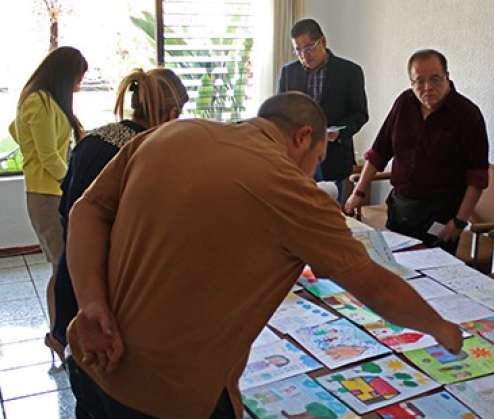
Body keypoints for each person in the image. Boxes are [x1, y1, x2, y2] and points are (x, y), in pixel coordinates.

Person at [64, 92, 463, 418]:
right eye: (318, 161)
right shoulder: (289, 186)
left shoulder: (168, 135)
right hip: (166, 398)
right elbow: (375, 285)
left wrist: (93, 303)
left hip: (91, 357)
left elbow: (87, 210)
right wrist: (441, 328)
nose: (312, 174)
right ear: (302, 137)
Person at [44, 68, 188, 362]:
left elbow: (66, 209)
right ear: (173, 112)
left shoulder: (92, 139)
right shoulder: (150, 152)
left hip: (75, 274)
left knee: (83, 366)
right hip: (115, 288)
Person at [344, 49, 489, 254]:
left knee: (433, 279)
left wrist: (459, 222)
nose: (427, 88)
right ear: (411, 82)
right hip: (401, 211)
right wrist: (358, 192)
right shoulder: (404, 103)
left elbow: (478, 177)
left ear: (447, 76)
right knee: (396, 270)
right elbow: (379, 151)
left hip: (441, 215)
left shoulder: (467, 115)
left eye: (435, 79)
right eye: (419, 81)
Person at [8, 46, 88, 354]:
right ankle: (58, 334)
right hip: (46, 195)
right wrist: (73, 182)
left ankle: (61, 332)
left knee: (63, 265)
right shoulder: (38, 101)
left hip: (50, 191)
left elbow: (15, 129)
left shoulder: (43, 99)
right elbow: (48, 156)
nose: (79, 86)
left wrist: (29, 145)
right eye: (78, 79)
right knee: (62, 266)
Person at [278, 18, 369, 202]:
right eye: (298, 50)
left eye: (309, 47)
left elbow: (360, 114)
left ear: (323, 42)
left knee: (332, 217)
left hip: (334, 156)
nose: (304, 55)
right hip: (298, 158)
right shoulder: (289, 72)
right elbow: (280, 113)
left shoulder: (350, 72)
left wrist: (338, 132)